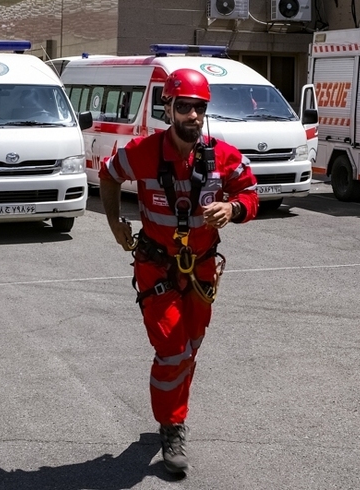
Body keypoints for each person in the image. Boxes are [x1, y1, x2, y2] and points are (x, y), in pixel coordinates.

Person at [99, 68, 258, 476]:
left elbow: (250, 192)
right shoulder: (143, 151)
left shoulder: (223, 155)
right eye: (183, 106)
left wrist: (233, 209)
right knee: (174, 350)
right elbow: (109, 176)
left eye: (199, 108)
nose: (192, 115)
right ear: (167, 107)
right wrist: (115, 221)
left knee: (192, 345)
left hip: (201, 270)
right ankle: (172, 426)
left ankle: (173, 412)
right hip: (157, 268)